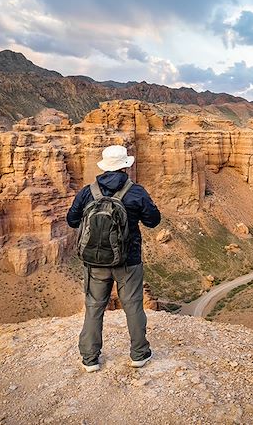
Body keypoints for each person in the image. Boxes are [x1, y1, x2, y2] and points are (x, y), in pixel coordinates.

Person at [66, 145, 161, 372]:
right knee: (134, 307)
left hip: (95, 262)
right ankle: (139, 354)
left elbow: (72, 220)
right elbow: (153, 220)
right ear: (125, 167)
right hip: (128, 261)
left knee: (94, 308)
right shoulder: (136, 192)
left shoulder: (87, 192)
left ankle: (90, 359)